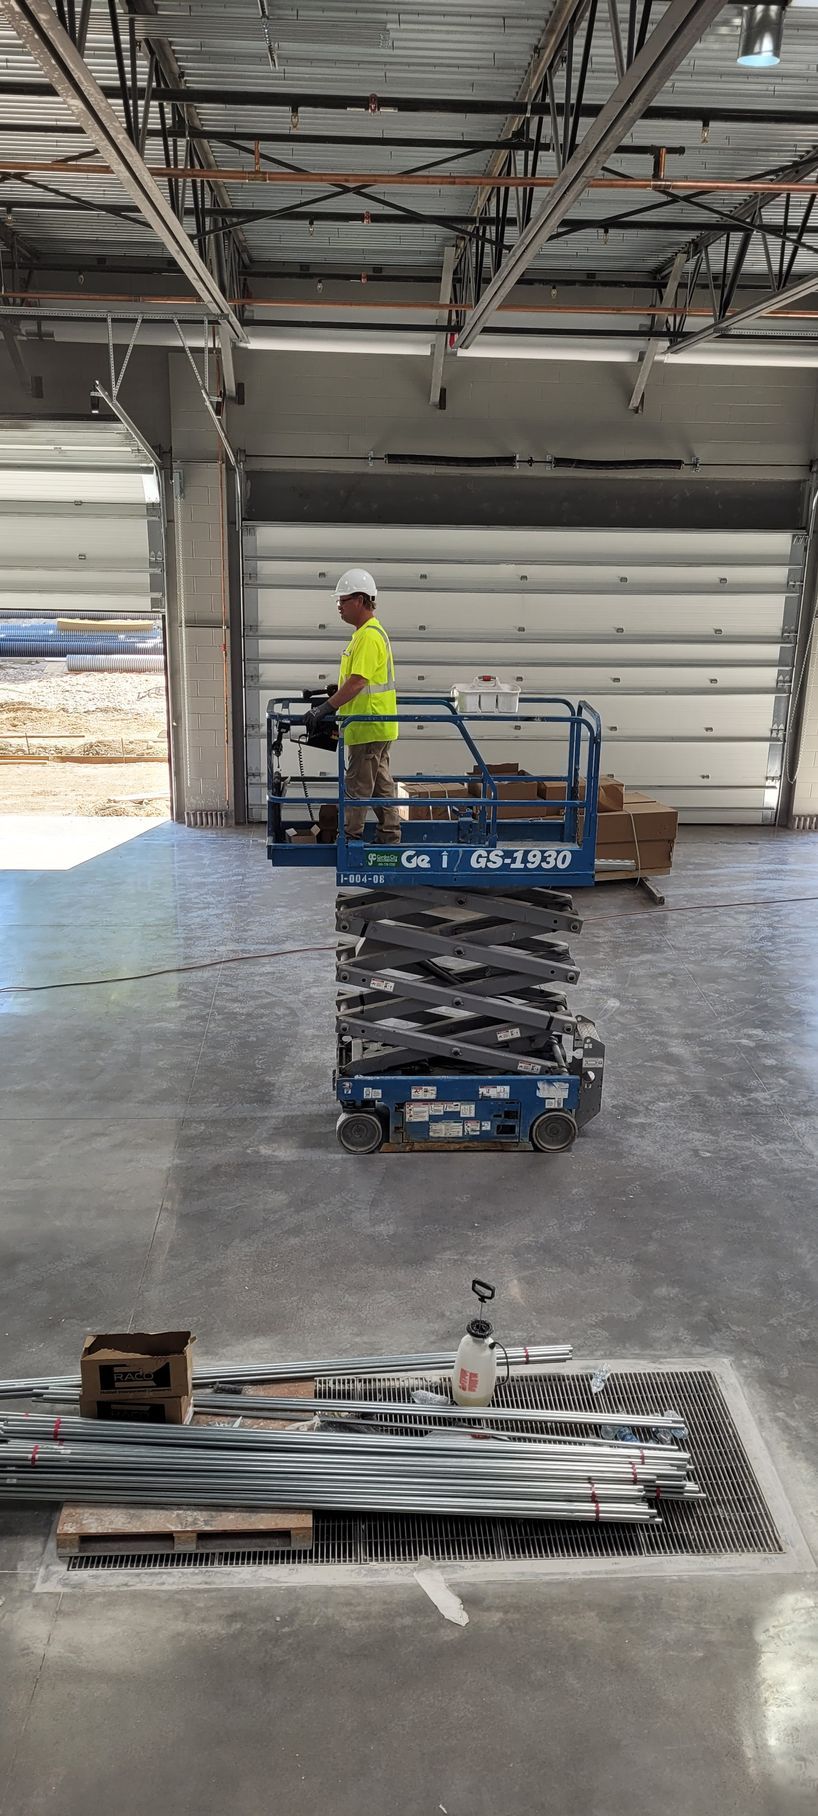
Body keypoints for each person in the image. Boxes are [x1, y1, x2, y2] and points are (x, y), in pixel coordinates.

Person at [308, 567, 400, 845]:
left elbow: (359, 682)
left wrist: (325, 708)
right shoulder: (366, 634)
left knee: (358, 786)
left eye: (343, 600)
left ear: (360, 600)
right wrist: (336, 694)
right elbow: (359, 681)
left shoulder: (369, 636)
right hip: (374, 725)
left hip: (368, 726)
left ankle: (349, 839)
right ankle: (389, 836)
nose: (339, 606)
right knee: (381, 786)